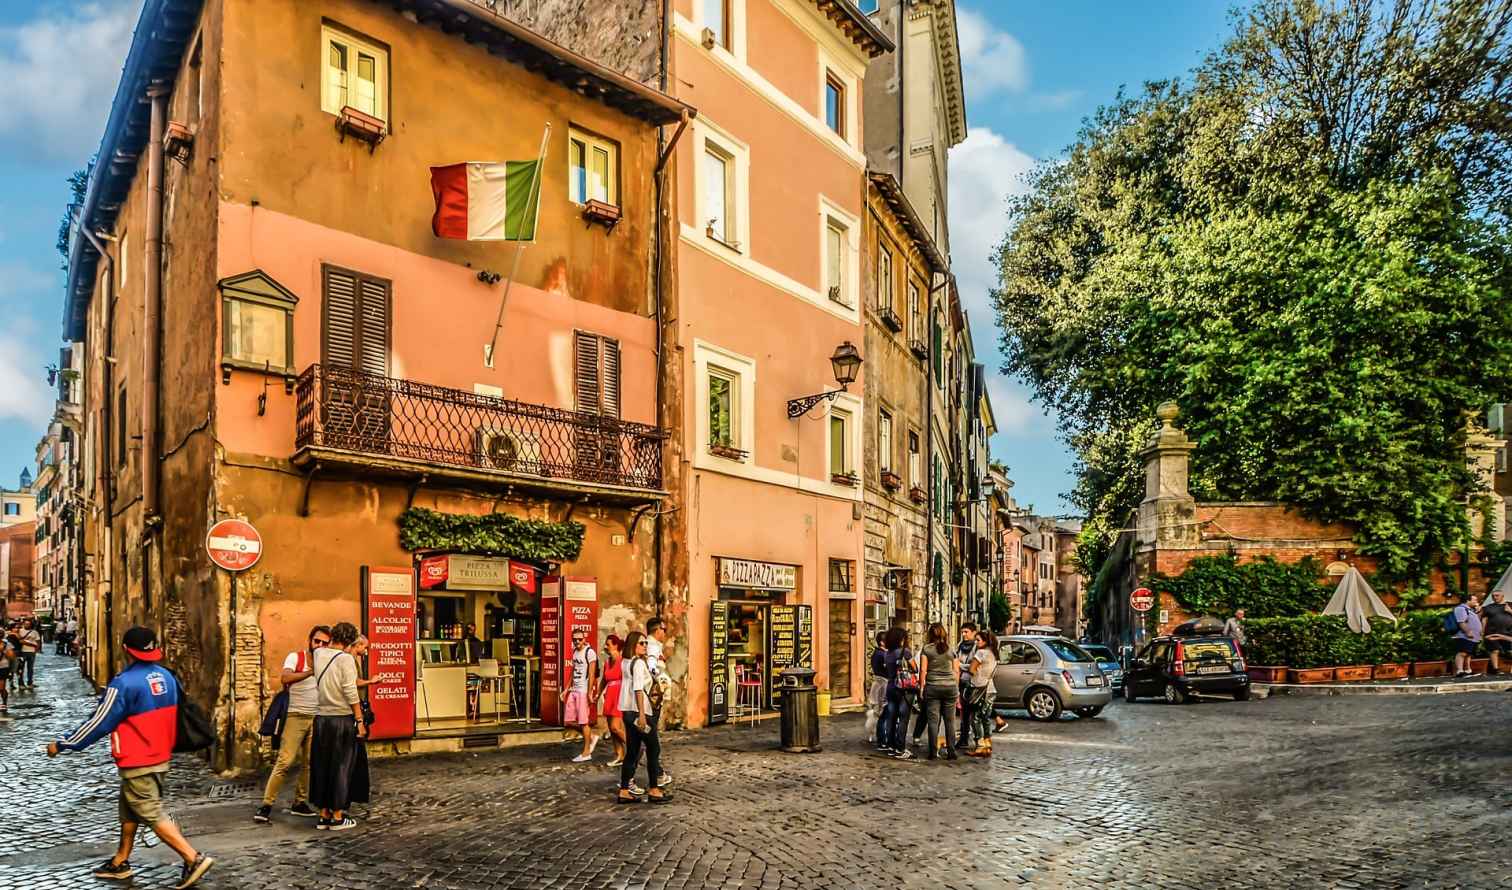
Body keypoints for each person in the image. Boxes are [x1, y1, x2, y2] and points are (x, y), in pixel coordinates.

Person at [47, 626, 215, 888]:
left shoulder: (123, 683)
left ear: (126, 649)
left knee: (149, 811)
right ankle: (120, 861)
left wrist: (64, 743)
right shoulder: (167, 677)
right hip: (160, 755)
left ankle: (192, 857)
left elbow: (99, 722)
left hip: (137, 758)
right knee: (129, 810)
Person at [254, 625, 331, 824]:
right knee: (285, 761)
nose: (320, 645)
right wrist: (309, 672)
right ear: (310, 641)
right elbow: (285, 677)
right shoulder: (296, 658)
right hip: (296, 716)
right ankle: (266, 805)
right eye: (317, 641)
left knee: (309, 763)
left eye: (324, 642)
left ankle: (300, 802)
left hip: (317, 716)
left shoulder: (328, 662)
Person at [308, 621, 365, 831]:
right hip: (342, 718)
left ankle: (323, 814)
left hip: (321, 718)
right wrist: (359, 720)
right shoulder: (346, 660)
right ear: (349, 640)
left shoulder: (318, 654)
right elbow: (350, 692)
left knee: (322, 765)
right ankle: (338, 816)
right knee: (341, 766)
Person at [615, 632, 669, 803]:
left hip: (627, 712)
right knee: (654, 748)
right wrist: (642, 715)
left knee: (632, 750)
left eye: (646, 643)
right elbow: (638, 689)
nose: (645, 646)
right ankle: (654, 789)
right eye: (641, 643)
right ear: (633, 644)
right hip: (640, 712)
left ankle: (624, 790)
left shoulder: (625, 662)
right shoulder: (638, 663)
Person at [919, 623, 960, 760]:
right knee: (950, 721)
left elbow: (923, 670)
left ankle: (933, 752)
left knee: (933, 721)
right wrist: (957, 689)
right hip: (950, 688)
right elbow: (956, 671)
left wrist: (921, 688)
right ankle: (951, 752)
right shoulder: (951, 650)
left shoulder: (926, 649)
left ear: (930, 634)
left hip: (933, 687)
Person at [644, 617, 673, 787]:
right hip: (652, 699)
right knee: (649, 738)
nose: (665, 633)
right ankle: (657, 775)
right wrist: (661, 683)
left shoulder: (651, 645)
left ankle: (630, 777)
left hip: (650, 698)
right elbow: (652, 667)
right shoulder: (653, 646)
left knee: (646, 739)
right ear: (658, 630)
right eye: (664, 630)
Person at [566, 627, 602, 763]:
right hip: (574, 689)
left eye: (580, 639)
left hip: (583, 690)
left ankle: (586, 752)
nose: (577, 642)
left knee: (583, 722)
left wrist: (589, 692)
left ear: (584, 639)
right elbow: (573, 671)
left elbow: (592, 674)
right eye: (574, 640)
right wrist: (566, 689)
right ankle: (592, 736)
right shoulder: (575, 652)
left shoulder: (590, 652)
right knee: (569, 721)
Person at [880, 628, 917, 758]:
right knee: (903, 718)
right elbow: (915, 667)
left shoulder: (887, 653)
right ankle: (900, 749)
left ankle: (890, 746)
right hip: (904, 688)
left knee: (891, 717)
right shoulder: (905, 652)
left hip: (890, 687)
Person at [966, 631, 999, 757]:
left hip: (979, 688)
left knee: (975, 718)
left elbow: (971, 669)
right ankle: (987, 744)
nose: (976, 642)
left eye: (978, 640)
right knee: (986, 718)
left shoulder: (981, 653)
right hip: (990, 689)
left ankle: (979, 746)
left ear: (985, 641)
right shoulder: (994, 654)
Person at [600, 634, 627, 767]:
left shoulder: (623, 662)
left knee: (616, 727)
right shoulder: (606, 662)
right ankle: (619, 754)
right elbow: (604, 681)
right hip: (609, 695)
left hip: (619, 694)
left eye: (608, 644)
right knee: (611, 729)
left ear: (616, 646)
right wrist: (597, 695)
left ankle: (635, 746)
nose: (605, 646)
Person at [955, 623, 978, 751]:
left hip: (971, 682)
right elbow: (955, 660)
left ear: (974, 632)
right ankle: (963, 738)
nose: (964, 634)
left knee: (972, 713)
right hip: (961, 681)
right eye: (962, 632)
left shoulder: (976, 646)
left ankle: (977, 739)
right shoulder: (960, 645)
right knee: (963, 713)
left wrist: (960, 666)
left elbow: (973, 665)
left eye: (966, 632)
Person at [863, 632, 888, 745]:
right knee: (880, 711)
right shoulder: (882, 655)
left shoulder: (876, 653)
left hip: (877, 683)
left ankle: (872, 734)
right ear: (882, 642)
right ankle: (881, 736)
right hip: (882, 683)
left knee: (876, 710)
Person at [1452, 594, 1483, 678]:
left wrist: (1478, 610)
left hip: (1473, 637)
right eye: (1475, 600)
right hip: (1464, 636)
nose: (1476, 602)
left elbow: (1476, 620)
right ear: (1468, 600)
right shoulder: (1461, 609)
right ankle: (1460, 671)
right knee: (1462, 653)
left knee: (1468, 654)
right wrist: (1468, 632)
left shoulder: (1470, 610)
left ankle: (1467, 670)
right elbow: (1461, 622)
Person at [1481, 589, 1512, 675]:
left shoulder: (1510, 605)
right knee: (1494, 650)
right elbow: (1484, 619)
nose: (1495, 597)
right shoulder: (1488, 607)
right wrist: (1482, 631)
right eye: (1493, 596)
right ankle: (1495, 669)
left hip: (1508, 633)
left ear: (1502, 596)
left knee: (1509, 651)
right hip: (1491, 632)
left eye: (1497, 595)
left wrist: (1510, 611)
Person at [17, 618, 40, 689]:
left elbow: (38, 641)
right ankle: (21, 684)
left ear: (30, 625)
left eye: (28, 624)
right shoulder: (20, 631)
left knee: (30, 668)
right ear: (23, 624)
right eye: (26, 624)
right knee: (21, 668)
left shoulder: (34, 632)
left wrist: (36, 650)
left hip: (31, 652)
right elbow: (19, 641)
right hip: (22, 652)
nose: (27, 625)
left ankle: (30, 683)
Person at [0, 630, 14, 717]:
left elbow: (12, 657)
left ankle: (4, 703)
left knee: (1, 688)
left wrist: (3, 650)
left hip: (3, 667)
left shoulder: (6, 644)